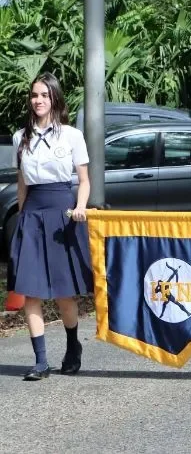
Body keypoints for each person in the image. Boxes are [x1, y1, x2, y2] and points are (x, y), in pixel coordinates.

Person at [7, 72, 92, 380]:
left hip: (61, 213)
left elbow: (83, 181)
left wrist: (80, 207)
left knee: (63, 293)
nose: (37, 100)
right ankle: (40, 361)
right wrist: (20, 215)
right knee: (30, 291)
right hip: (31, 214)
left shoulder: (71, 135)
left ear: (55, 98)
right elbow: (22, 183)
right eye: (34, 95)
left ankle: (73, 346)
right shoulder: (21, 137)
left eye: (43, 95)